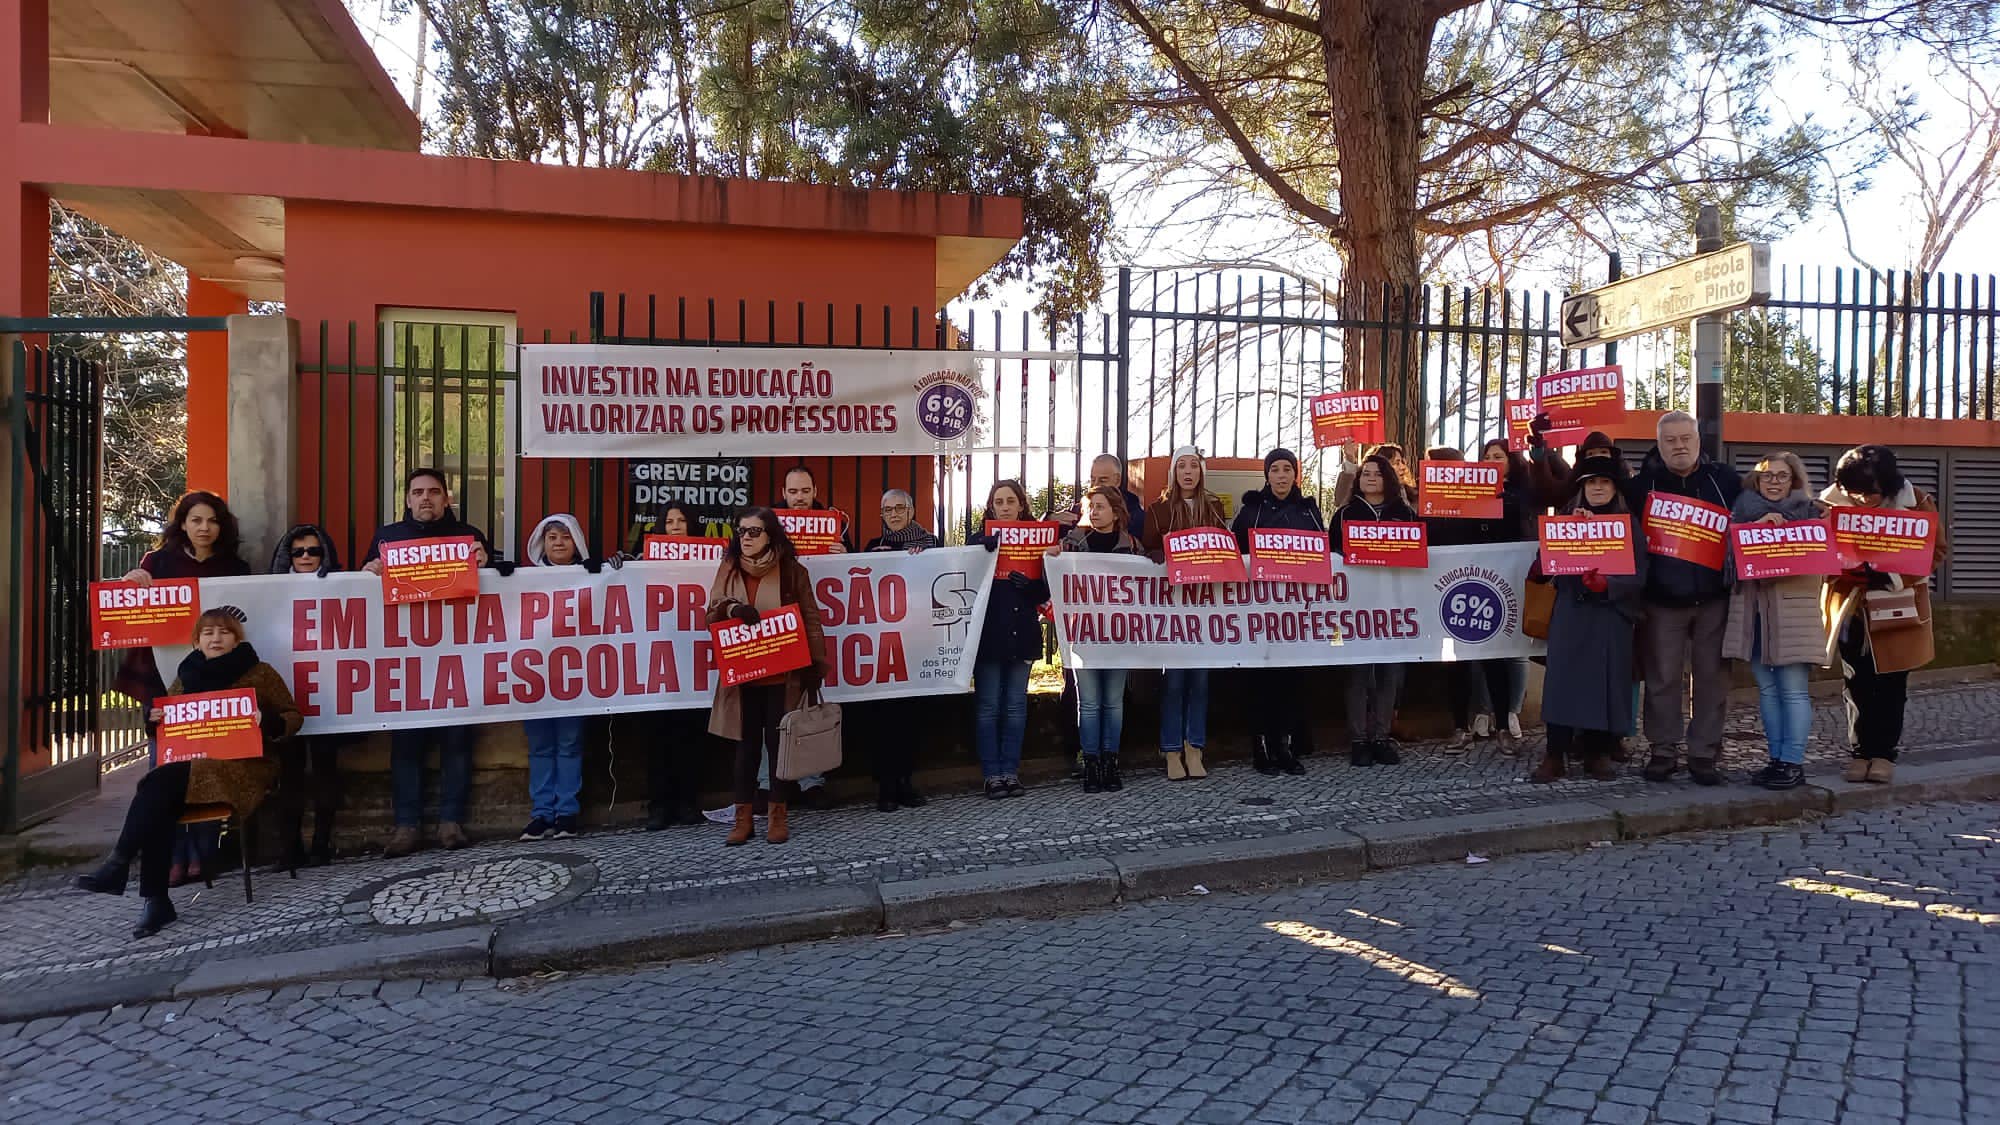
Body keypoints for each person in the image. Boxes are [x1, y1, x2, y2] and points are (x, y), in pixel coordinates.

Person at [75, 607, 303, 938]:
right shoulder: (186, 675)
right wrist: (154, 721)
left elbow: (293, 716)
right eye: (208, 633)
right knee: (158, 797)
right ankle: (153, 898)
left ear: (236, 639)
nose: (216, 638)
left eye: (224, 632)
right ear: (197, 641)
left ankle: (124, 870)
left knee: (157, 788)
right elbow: (169, 727)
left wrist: (265, 720)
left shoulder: (260, 672)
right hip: (193, 767)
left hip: (243, 767)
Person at [114, 490, 253, 885]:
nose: (204, 528)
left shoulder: (237, 569)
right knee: (164, 769)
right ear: (183, 525)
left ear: (222, 527)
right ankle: (170, 858)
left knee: (205, 767)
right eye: (196, 520)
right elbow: (126, 610)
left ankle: (203, 855)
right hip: (163, 684)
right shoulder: (156, 563)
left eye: (212, 521)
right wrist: (131, 581)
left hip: (213, 684)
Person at [361, 467, 498, 855]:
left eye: (434, 492)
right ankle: (406, 827)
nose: (426, 498)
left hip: (458, 660)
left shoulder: (469, 537)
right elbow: (362, 596)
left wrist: (486, 564)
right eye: (418, 492)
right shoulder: (387, 539)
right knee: (406, 746)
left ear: (446, 498)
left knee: (458, 743)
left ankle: (451, 823)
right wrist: (368, 572)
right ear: (407, 499)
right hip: (407, 664)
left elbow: (498, 590)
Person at [1626, 411, 1741, 785]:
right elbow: (1615, 524)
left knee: (1712, 680)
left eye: (1685, 438)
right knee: (1662, 678)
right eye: (1670, 440)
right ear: (1659, 445)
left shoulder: (1725, 480)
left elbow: (1757, 513)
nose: (1679, 446)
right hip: (1661, 600)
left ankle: (1704, 753)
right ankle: (1663, 750)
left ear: (1698, 440)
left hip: (1713, 598)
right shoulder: (1640, 486)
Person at [1821, 445, 1944, 785]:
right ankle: (1860, 752)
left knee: (1891, 682)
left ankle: (1884, 754)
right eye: (1854, 492)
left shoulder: (1917, 502)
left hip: (1898, 605)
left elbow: (1936, 551)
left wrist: (1890, 575)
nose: (1862, 499)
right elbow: (1817, 549)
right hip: (1851, 606)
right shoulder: (1828, 504)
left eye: (1870, 494)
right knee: (1855, 682)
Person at [707, 507, 831, 845]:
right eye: (741, 531)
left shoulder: (792, 571)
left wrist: (815, 665)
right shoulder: (729, 567)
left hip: (783, 676)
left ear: (770, 535)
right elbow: (711, 611)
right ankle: (743, 819)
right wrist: (733, 609)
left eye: (753, 531)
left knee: (779, 747)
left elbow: (810, 618)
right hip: (743, 676)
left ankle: (778, 815)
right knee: (745, 748)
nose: (745, 537)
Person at [1534, 458, 1647, 783]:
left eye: (1604, 482)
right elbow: (1543, 564)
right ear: (1582, 488)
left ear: (1615, 488)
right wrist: (1568, 531)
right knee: (1561, 682)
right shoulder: (1566, 518)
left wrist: (1608, 585)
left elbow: (1640, 573)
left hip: (1610, 614)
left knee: (1604, 683)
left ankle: (1597, 753)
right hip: (1571, 610)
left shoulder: (1628, 524)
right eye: (1591, 482)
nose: (1597, 487)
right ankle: (1555, 753)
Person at [1721, 453, 1827, 791]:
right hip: (1752, 617)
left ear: (1794, 480)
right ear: (1756, 480)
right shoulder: (1741, 512)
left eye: (1782, 476)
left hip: (1792, 617)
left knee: (1793, 692)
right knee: (1767, 691)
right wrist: (1755, 531)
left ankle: (1793, 763)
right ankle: (1776, 759)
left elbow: (1823, 563)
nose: (1774, 482)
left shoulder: (1811, 513)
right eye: (1767, 476)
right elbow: (1726, 561)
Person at [515, 513, 623, 841]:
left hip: (574, 679)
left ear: (576, 542)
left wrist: (615, 568)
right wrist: (502, 576)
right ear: (542, 543)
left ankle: (566, 813)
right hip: (535, 677)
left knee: (569, 744)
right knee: (540, 747)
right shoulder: (523, 579)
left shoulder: (592, 576)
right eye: (552, 538)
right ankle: (541, 814)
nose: (559, 543)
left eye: (565, 537)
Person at [1430, 440, 1537, 750]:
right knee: (1458, 662)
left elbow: (1520, 531)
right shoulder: (1456, 495)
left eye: (1498, 456)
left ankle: (1503, 724)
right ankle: (1460, 727)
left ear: (1511, 461)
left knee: (1496, 658)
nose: (1491, 461)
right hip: (1455, 584)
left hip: (1495, 586)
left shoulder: (1517, 496)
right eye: (1486, 456)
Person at [1230, 447, 1321, 776]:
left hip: (1295, 615)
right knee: (1261, 683)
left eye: (1287, 469)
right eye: (1275, 470)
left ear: (1295, 474)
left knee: (1291, 682)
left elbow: (1323, 552)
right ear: (1266, 475)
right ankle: (1262, 748)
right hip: (1258, 614)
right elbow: (1234, 553)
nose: (1281, 476)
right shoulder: (1251, 510)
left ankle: (1285, 747)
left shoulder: (1308, 511)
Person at [1047, 486, 1144, 793]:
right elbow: (1051, 573)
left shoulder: (1132, 546)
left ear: (1116, 512)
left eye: (1100, 506)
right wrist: (1051, 557)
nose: (1094, 512)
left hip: (1119, 635)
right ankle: (1091, 762)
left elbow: (1146, 588)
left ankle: (1110, 762)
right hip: (1083, 634)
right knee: (1089, 703)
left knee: (1113, 702)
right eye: (1090, 507)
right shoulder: (1072, 543)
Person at [1142, 445, 1229, 781]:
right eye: (1182, 466)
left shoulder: (1213, 507)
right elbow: (1147, 550)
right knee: (1175, 682)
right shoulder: (1158, 510)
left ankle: (1195, 748)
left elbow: (1225, 545)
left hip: (1203, 608)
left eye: (1194, 466)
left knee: (1200, 682)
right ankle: (1171, 750)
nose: (1188, 472)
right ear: (1173, 472)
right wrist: (1161, 553)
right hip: (1172, 608)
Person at [266, 524, 344, 865]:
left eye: (314, 550)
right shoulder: (267, 592)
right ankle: (290, 848)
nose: (306, 557)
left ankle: (322, 843)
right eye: (298, 551)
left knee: (326, 771)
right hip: (286, 697)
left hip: (328, 695)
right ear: (288, 556)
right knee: (289, 775)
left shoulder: (343, 586)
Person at [771, 466, 850, 807]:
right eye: (793, 492)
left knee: (810, 705)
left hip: (815, 624)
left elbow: (857, 570)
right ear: (783, 493)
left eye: (805, 491)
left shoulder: (833, 524)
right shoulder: (768, 524)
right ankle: (770, 784)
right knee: (771, 708)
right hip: (776, 627)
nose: (800, 498)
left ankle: (812, 782)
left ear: (814, 491)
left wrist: (846, 555)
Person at [1333, 455, 1418, 766]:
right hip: (1354, 608)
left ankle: (1381, 737)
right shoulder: (1344, 515)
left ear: (1388, 479)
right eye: (1365, 473)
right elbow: (1333, 557)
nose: (1370, 478)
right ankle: (1358, 740)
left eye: (1377, 473)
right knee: (1357, 674)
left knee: (1389, 674)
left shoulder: (1404, 515)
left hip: (1394, 607)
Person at [861, 489, 939, 811]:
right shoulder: (872, 546)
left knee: (911, 717)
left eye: (899, 508)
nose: (893, 514)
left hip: (916, 642)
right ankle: (886, 786)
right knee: (883, 718)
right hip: (883, 645)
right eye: (887, 510)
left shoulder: (932, 543)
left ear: (911, 511)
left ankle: (906, 782)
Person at [969, 480, 1047, 798]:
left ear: (1021, 505)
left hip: (1022, 634)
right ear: (991, 507)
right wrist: (980, 550)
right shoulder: (978, 540)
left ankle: (1010, 772)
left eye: (1010, 501)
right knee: (988, 706)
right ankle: (991, 774)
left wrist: (1030, 585)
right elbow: (964, 580)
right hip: (989, 636)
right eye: (998, 502)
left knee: (1015, 706)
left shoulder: (1036, 541)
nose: (1004, 507)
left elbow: (1045, 591)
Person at [644, 502, 712, 829]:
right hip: (656, 664)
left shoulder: (710, 561)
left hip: (693, 663)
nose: (675, 526)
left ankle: (687, 803)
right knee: (657, 738)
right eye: (669, 521)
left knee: (691, 737)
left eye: (681, 520)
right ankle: (660, 805)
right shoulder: (643, 562)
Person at [1054, 453, 1147, 543]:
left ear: (1117, 480)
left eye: (1102, 480)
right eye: (1093, 480)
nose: (1095, 485)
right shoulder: (1080, 508)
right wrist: (1050, 519)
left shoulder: (1136, 517)